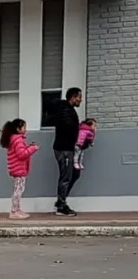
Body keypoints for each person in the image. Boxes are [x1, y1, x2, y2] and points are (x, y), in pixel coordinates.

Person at [52, 87, 83, 216]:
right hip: (63, 149)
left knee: (75, 173)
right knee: (66, 177)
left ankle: (61, 201)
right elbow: (69, 128)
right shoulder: (65, 110)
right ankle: (61, 206)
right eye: (79, 97)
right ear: (73, 97)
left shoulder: (69, 110)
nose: (80, 100)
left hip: (68, 148)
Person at [1, 118, 39, 220]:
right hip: (19, 169)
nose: (25, 129)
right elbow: (22, 155)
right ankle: (14, 211)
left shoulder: (15, 139)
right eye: (24, 127)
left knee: (19, 189)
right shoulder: (18, 140)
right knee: (18, 190)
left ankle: (17, 209)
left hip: (18, 168)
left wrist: (29, 147)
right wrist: (33, 148)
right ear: (18, 129)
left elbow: (21, 152)